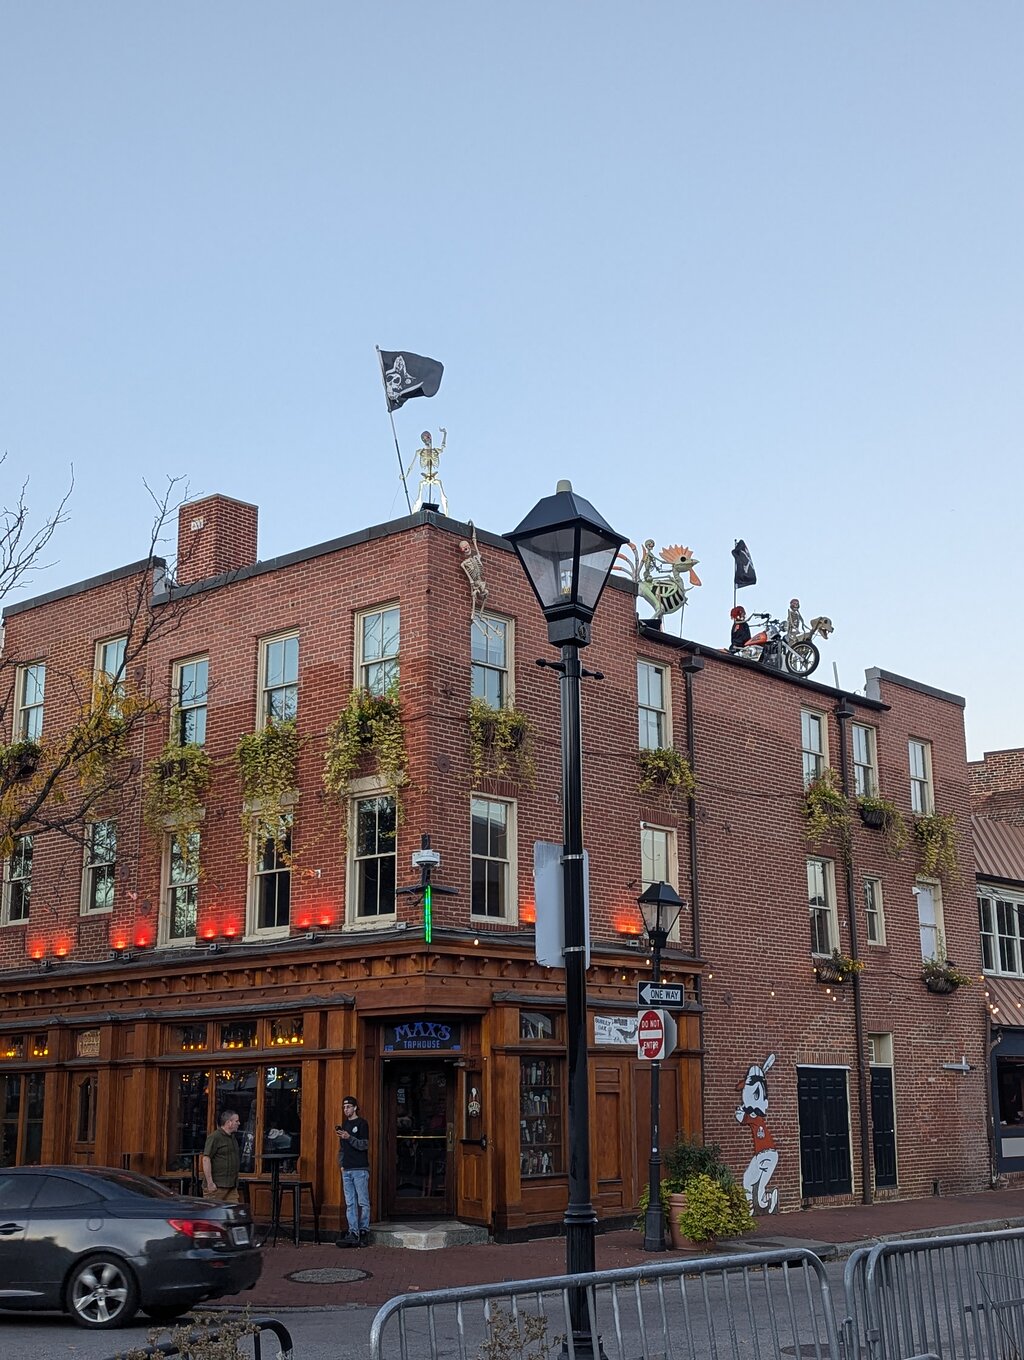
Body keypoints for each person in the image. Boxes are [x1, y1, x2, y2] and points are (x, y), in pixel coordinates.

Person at [336, 1095, 371, 1248]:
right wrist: (341, 1164)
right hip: (347, 1169)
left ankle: (364, 1230)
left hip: (360, 1168)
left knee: (363, 1201)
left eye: (348, 1107)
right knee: (350, 1202)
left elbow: (364, 1145)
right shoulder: (344, 1124)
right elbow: (342, 1148)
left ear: (355, 1108)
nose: (346, 1110)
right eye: (344, 1107)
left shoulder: (362, 1124)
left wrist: (349, 1137)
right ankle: (353, 1231)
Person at [202, 1108, 241, 1202]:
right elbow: (206, 1159)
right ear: (229, 1123)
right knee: (214, 1210)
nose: (239, 1123)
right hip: (216, 1186)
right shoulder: (215, 1137)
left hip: (231, 1186)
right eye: (236, 1121)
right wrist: (210, 1183)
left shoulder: (232, 1138)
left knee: (234, 1210)